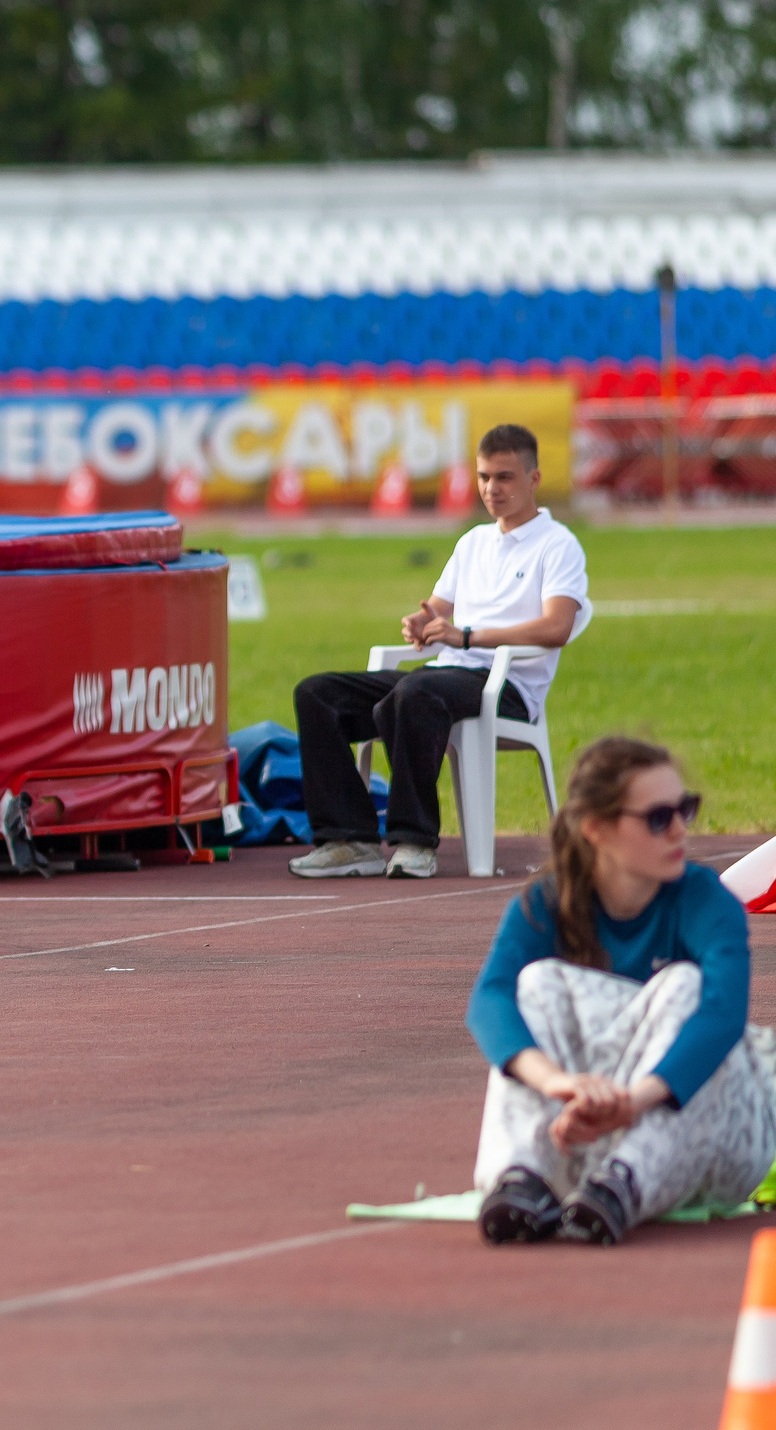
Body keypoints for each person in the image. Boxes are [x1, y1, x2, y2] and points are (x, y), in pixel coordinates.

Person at [469, 737, 775, 1245]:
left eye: (686, 809)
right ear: (597, 829)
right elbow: (490, 1000)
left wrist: (634, 1102)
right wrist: (559, 1085)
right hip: (590, 1126)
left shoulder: (706, 900)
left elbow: (722, 1016)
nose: (680, 829)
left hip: (719, 1139)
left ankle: (624, 1184)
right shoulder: (550, 901)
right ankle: (522, 1176)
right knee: (536, 981)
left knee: (684, 983)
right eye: (659, 817)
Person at [290, 424, 589, 879]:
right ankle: (350, 838)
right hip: (442, 673)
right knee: (317, 694)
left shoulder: (558, 544)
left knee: (416, 692)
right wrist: (421, 621)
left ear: (533, 479)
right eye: (485, 477)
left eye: (505, 477)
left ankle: (415, 841)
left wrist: (466, 637)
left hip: (504, 684)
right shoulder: (472, 542)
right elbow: (437, 611)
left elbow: (557, 626)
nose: (492, 489)